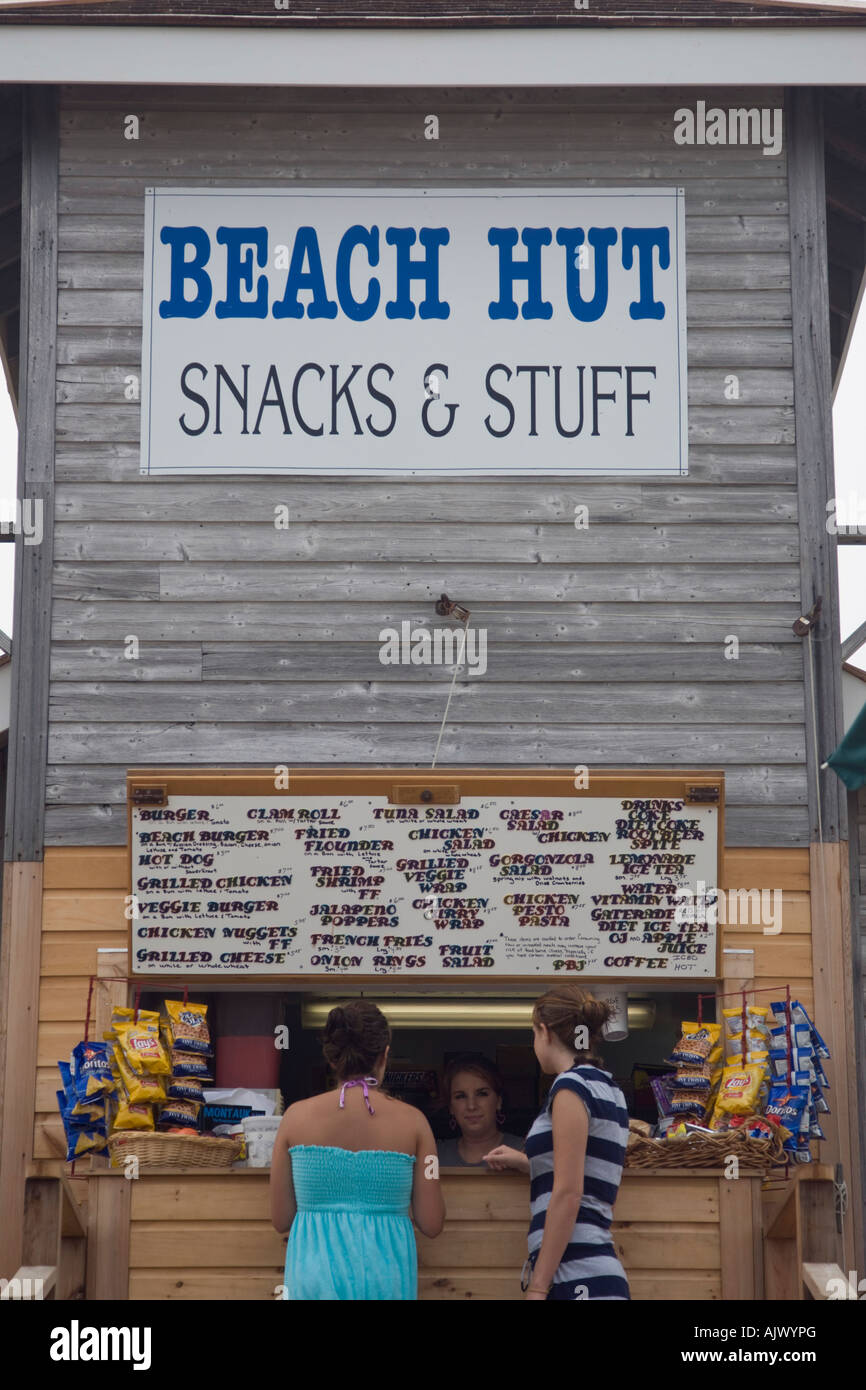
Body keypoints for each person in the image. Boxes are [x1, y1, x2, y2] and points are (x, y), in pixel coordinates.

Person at [269, 999, 445, 1299]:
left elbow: (281, 1218)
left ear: (332, 1058)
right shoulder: (416, 1124)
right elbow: (431, 1222)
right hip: (385, 1282)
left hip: (312, 1283)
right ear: (384, 1054)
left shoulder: (294, 1119)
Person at [484, 984, 630, 1301]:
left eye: (533, 1034)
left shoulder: (569, 1087)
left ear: (544, 1031)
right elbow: (591, 1169)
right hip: (595, 1273)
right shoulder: (610, 1088)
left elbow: (569, 1193)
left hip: (576, 1276)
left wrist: (538, 1285)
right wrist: (529, 1162)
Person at [436, 1055, 525, 1167]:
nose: (471, 1106)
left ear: (498, 1101)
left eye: (482, 1094)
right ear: (451, 1107)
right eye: (460, 1096)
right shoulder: (434, 1156)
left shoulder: (524, 1152)